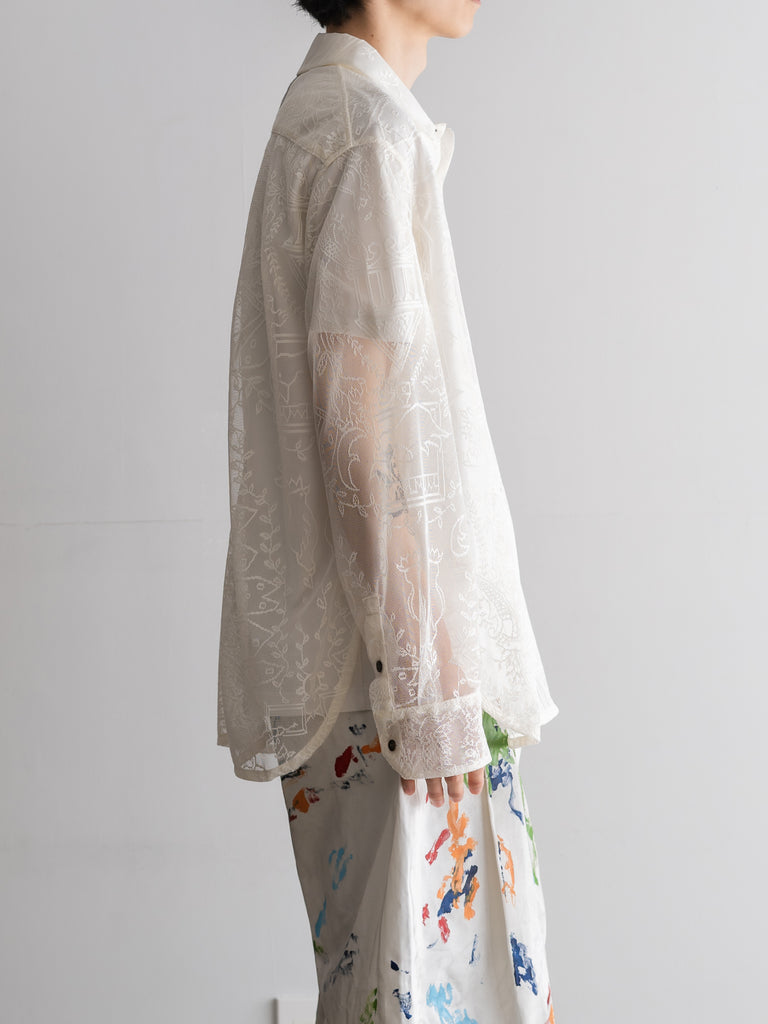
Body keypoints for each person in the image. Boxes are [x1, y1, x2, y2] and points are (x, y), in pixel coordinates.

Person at [217, 2, 560, 1020]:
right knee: (448, 993)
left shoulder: (334, 113)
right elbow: (354, 429)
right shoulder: (365, 130)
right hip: (400, 675)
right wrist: (426, 679)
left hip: (371, 670)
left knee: (391, 986)